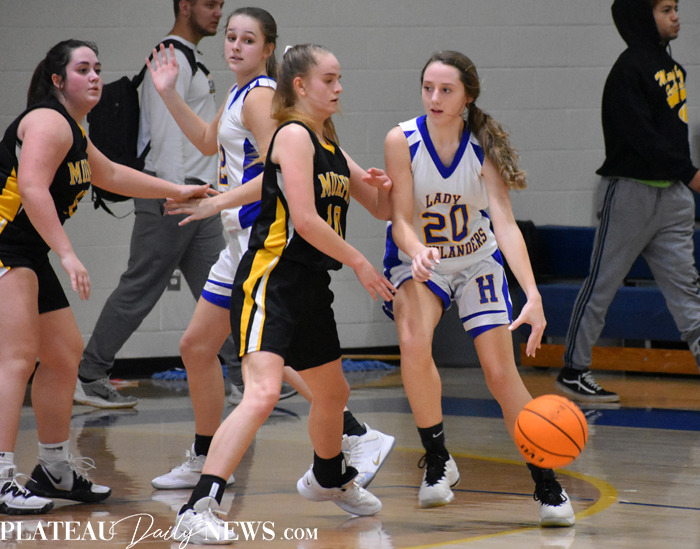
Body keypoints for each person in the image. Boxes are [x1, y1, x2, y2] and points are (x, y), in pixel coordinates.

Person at [145, 8, 394, 493]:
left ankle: (349, 432)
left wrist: (218, 201)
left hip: (262, 241)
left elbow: (275, 175)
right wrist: (169, 93)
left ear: (268, 50)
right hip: (238, 242)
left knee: (265, 363)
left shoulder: (262, 98)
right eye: (231, 37)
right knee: (198, 347)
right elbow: (206, 141)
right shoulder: (239, 92)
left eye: (248, 39)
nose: (235, 46)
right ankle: (213, 453)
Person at [0, 39, 214, 515]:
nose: (96, 76)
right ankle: (0, 477)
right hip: (5, 245)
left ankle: (54, 469)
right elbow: (31, 187)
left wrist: (176, 190)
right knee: (16, 359)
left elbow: (112, 174)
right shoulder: (47, 121)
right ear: (58, 80)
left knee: (64, 355)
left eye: (98, 67)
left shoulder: (74, 128)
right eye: (83, 69)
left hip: (25, 250)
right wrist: (68, 253)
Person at [383, 51, 575, 526]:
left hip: (475, 261)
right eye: (428, 87)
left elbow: (504, 223)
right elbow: (399, 219)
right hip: (423, 262)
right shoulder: (402, 140)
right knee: (413, 341)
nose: (434, 97)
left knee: (500, 374)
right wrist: (417, 250)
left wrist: (532, 294)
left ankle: (546, 483)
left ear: (467, 96)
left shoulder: (480, 146)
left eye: (446, 90)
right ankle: (438, 458)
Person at [72, 0, 254, 410]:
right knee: (140, 286)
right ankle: (89, 375)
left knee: (221, 287)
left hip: (199, 196)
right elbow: (166, 132)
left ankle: (245, 377)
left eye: (220, 5)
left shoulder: (189, 57)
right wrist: (172, 191)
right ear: (185, 6)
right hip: (176, 196)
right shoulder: (169, 57)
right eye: (209, 4)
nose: (217, 12)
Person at [555, 0, 700, 403]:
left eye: (676, 8)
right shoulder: (627, 70)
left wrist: (683, 177)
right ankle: (573, 370)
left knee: (687, 291)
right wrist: (690, 173)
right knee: (602, 284)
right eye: (666, 9)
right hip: (631, 193)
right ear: (642, 15)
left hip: (673, 197)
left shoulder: (674, 70)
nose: (676, 16)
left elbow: (671, 137)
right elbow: (641, 137)